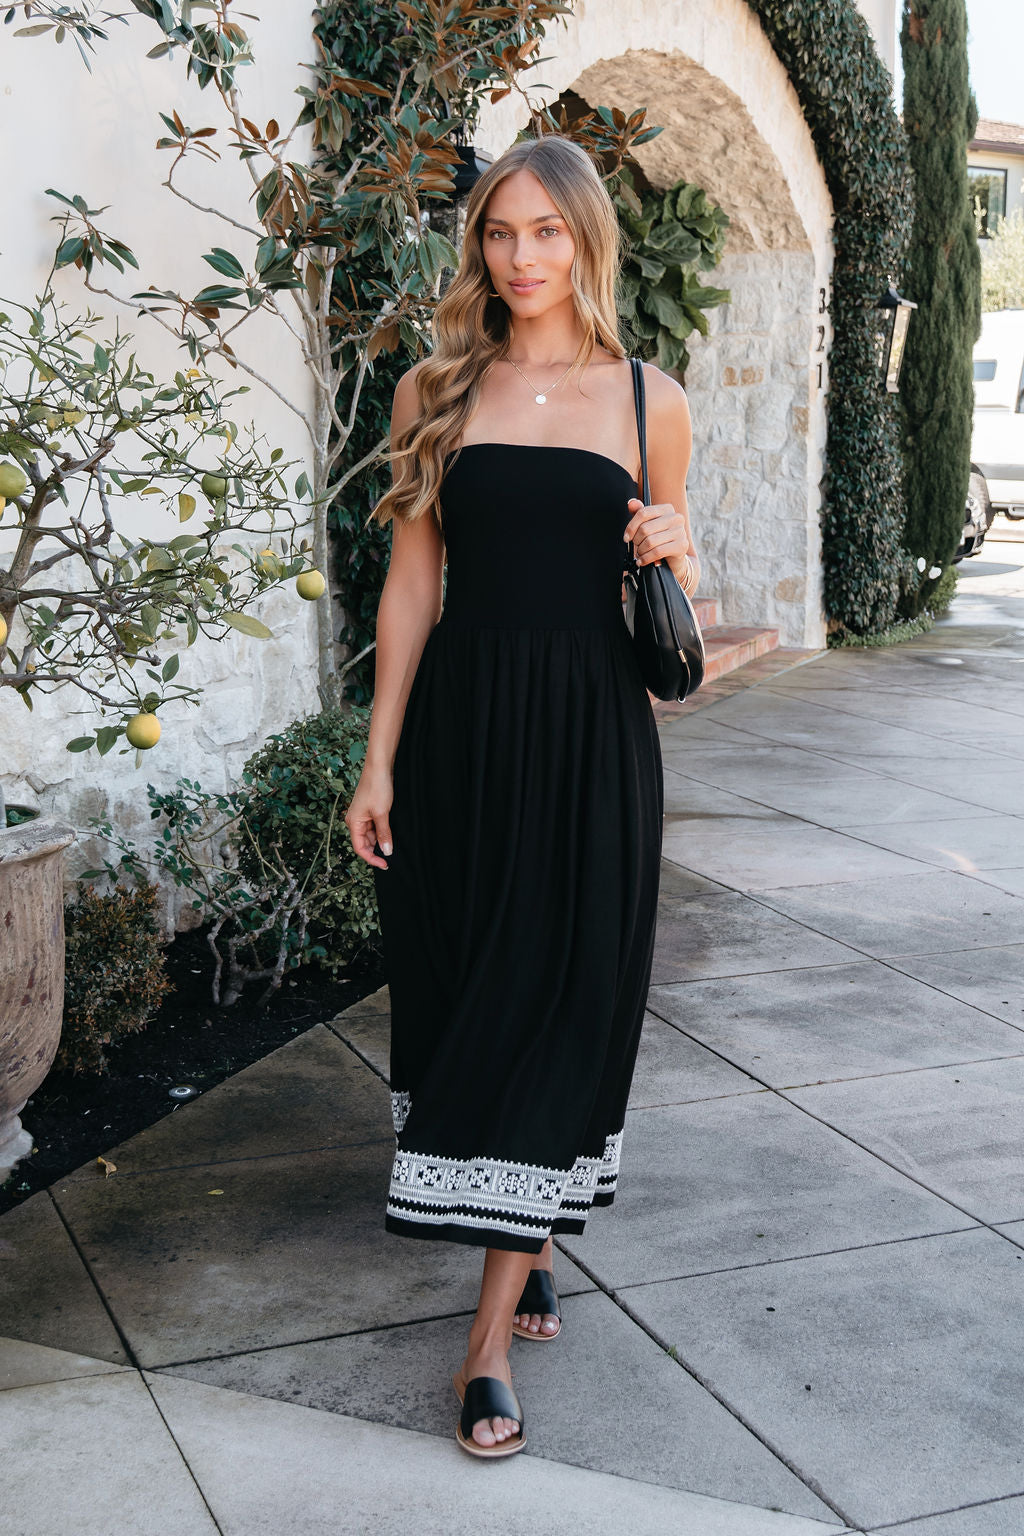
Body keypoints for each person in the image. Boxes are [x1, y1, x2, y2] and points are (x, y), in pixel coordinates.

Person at [343, 133, 699, 1460]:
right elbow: (413, 584)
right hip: (460, 739)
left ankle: (484, 1344)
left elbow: (665, 606)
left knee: (559, 994)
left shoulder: (649, 395)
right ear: (478, 246)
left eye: (547, 231)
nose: (522, 257)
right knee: (457, 994)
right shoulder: (436, 385)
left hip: (591, 740)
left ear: (588, 239)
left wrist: (676, 545)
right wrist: (378, 759)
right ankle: (527, 1225)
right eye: (500, 232)